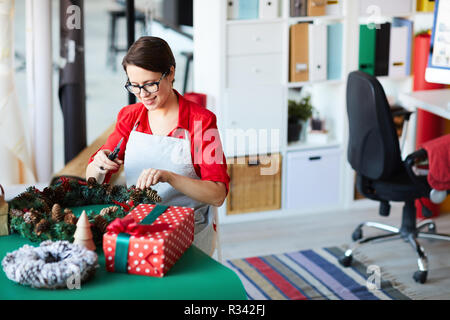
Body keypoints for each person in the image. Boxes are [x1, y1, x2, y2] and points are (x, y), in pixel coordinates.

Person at [86, 36, 229, 256]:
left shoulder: (201, 121)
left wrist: (169, 177)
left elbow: (217, 194)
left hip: (189, 235)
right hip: (138, 228)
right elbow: (93, 180)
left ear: (170, 73)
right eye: (134, 86)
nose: (142, 95)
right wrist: (99, 164)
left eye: (150, 84)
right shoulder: (129, 117)